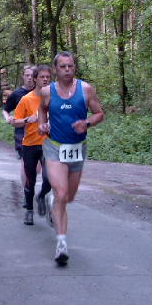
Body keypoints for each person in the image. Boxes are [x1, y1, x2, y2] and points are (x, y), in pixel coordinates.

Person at [37, 51, 104, 266]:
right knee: (62, 192)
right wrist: (42, 124)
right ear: (56, 69)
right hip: (54, 147)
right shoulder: (47, 91)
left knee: (69, 197)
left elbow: (99, 113)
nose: (67, 70)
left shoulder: (86, 89)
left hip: (77, 148)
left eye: (70, 66)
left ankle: (52, 201)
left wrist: (87, 123)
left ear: (74, 68)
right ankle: (61, 244)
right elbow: (42, 110)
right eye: (63, 66)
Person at [11, 65, 52, 225]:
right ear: (35, 79)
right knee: (30, 180)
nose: (45, 80)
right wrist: (28, 120)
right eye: (42, 77)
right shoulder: (26, 99)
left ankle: (41, 196)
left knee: (50, 179)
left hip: (49, 145)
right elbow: (15, 122)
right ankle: (29, 210)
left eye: (48, 77)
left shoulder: (55, 98)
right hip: (30, 145)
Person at [2, 65, 36, 207]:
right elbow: (5, 109)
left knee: (37, 167)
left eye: (32, 75)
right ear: (23, 76)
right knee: (25, 163)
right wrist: (8, 118)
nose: (29, 78)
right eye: (27, 75)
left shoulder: (42, 92)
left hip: (39, 133)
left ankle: (30, 186)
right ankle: (26, 192)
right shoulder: (17, 93)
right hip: (22, 132)